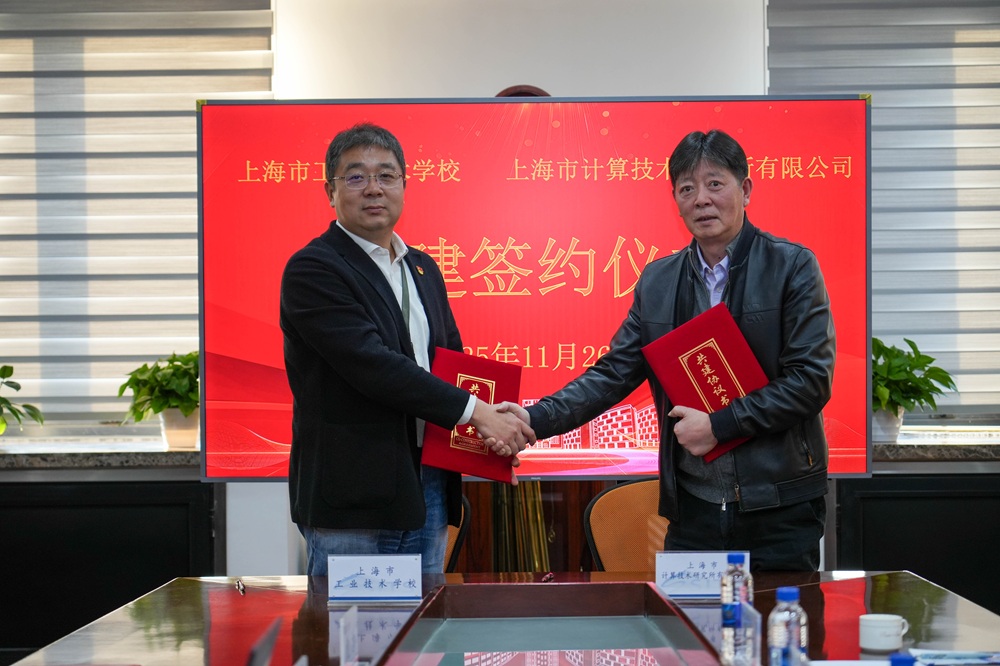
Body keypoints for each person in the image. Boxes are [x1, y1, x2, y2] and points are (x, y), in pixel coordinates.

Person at [504, 129, 835, 571]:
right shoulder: (659, 281)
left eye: (715, 184)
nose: (702, 199)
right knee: (687, 618)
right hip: (693, 511)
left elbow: (810, 381)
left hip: (779, 508)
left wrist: (719, 425)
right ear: (676, 200)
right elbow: (613, 373)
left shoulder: (792, 266)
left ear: (745, 189)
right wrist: (534, 419)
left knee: (777, 616)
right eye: (687, 189)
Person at [280, 122, 534, 576]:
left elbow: (451, 367)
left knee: (423, 620)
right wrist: (478, 413)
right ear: (330, 191)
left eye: (386, 175)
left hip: (428, 484)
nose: (373, 188)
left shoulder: (421, 268)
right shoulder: (314, 269)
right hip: (354, 496)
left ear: (403, 185)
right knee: (351, 622)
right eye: (355, 177)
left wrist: (489, 440)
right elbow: (374, 365)